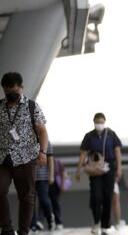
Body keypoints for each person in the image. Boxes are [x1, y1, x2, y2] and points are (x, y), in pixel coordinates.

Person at [0, 72, 48, 235]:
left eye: (14, 91)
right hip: (3, 157)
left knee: (26, 196)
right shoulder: (0, 107)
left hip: (26, 157)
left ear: (21, 88)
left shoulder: (32, 106)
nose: (11, 95)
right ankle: (6, 228)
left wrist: (43, 151)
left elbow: (42, 131)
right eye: (8, 93)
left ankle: (23, 231)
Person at [74, 113, 122, 235]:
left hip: (109, 167)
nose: (99, 124)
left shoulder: (111, 134)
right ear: (93, 122)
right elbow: (83, 153)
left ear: (105, 122)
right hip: (94, 168)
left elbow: (117, 151)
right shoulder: (89, 136)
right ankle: (96, 221)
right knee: (96, 196)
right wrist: (78, 170)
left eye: (101, 122)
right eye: (97, 122)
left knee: (107, 197)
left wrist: (119, 168)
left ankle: (105, 225)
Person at [31, 141, 55, 232]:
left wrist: (51, 174)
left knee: (44, 199)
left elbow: (50, 159)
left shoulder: (47, 142)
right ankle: (33, 224)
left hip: (43, 177)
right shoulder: (27, 139)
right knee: (30, 201)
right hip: (30, 176)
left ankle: (50, 218)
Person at [49, 158, 68, 230]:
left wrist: (62, 185)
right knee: (44, 203)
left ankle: (59, 222)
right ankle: (49, 220)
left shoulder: (57, 162)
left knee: (56, 203)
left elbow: (63, 173)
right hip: (45, 183)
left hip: (55, 184)